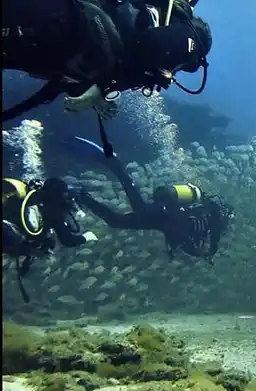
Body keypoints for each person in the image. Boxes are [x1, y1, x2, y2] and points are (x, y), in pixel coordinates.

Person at [2, 0, 212, 127]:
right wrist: (105, 87)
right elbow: (150, 44)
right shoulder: (192, 37)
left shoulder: (147, 27)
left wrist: (99, 92)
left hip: (58, 37)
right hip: (62, 24)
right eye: (187, 66)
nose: (177, 70)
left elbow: (96, 66)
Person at [69, 136, 234, 262]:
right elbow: (212, 243)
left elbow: (183, 238)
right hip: (168, 213)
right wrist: (207, 254)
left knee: (115, 222)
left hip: (163, 222)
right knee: (140, 209)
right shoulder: (215, 218)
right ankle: (117, 166)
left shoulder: (207, 224)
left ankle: (83, 197)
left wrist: (186, 250)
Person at [2, 177, 98, 302]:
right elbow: (68, 240)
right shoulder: (52, 209)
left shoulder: (28, 200)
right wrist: (86, 237)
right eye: (65, 194)